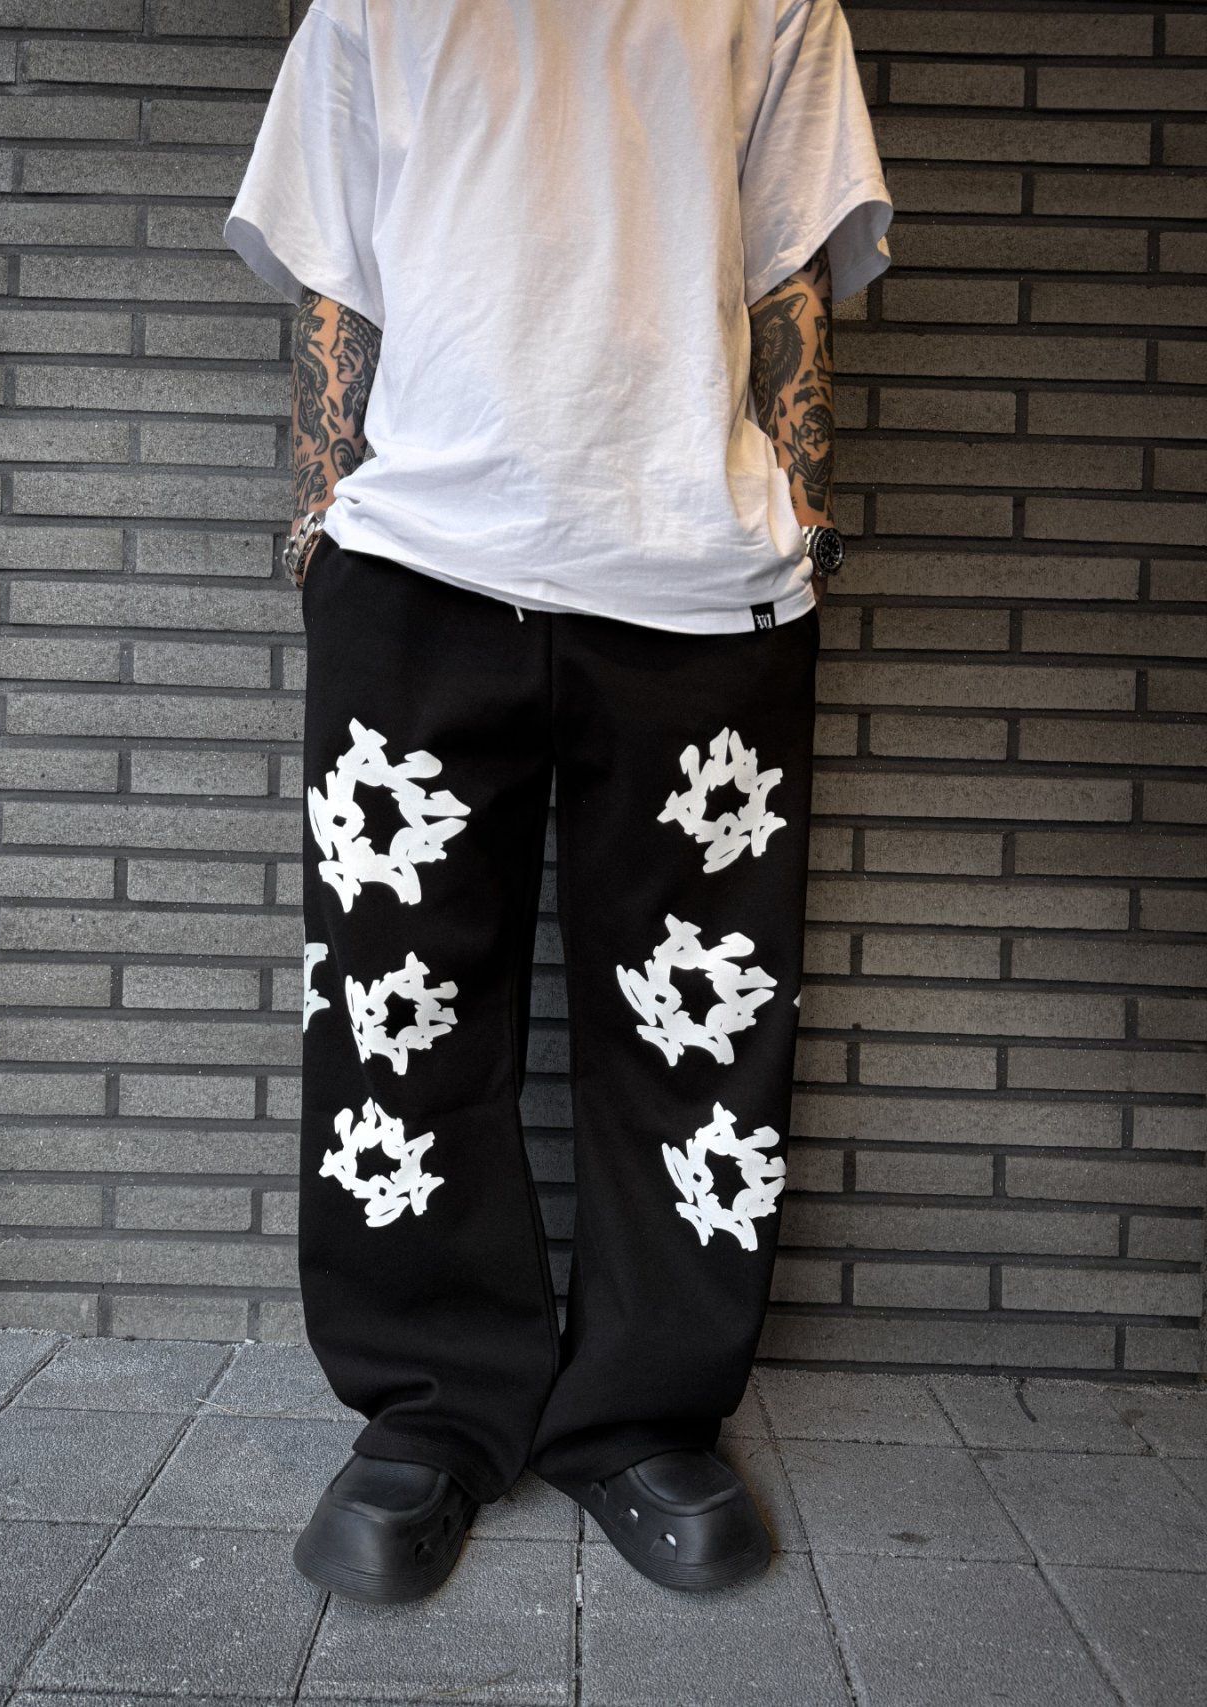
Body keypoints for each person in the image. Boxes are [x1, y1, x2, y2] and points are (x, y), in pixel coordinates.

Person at [224, 0, 892, 1603]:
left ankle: (644, 1415)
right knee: (396, 1014)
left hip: (699, 582)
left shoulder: (774, 0)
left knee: (700, 1023)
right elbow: (336, 278)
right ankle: (429, 1408)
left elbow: (791, 268)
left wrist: (802, 522)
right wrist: (320, 526)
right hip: (416, 567)